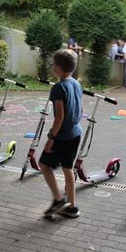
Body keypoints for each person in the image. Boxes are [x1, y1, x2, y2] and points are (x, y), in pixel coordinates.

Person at [39, 49, 83, 218]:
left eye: (53, 64)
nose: (51, 66)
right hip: (75, 133)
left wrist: (51, 138)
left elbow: (60, 116)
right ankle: (71, 207)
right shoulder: (76, 83)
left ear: (58, 68)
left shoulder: (58, 88)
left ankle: (58, 200)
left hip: (62, 136)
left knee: (43, 164)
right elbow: (78, 109)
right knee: (67, 169)